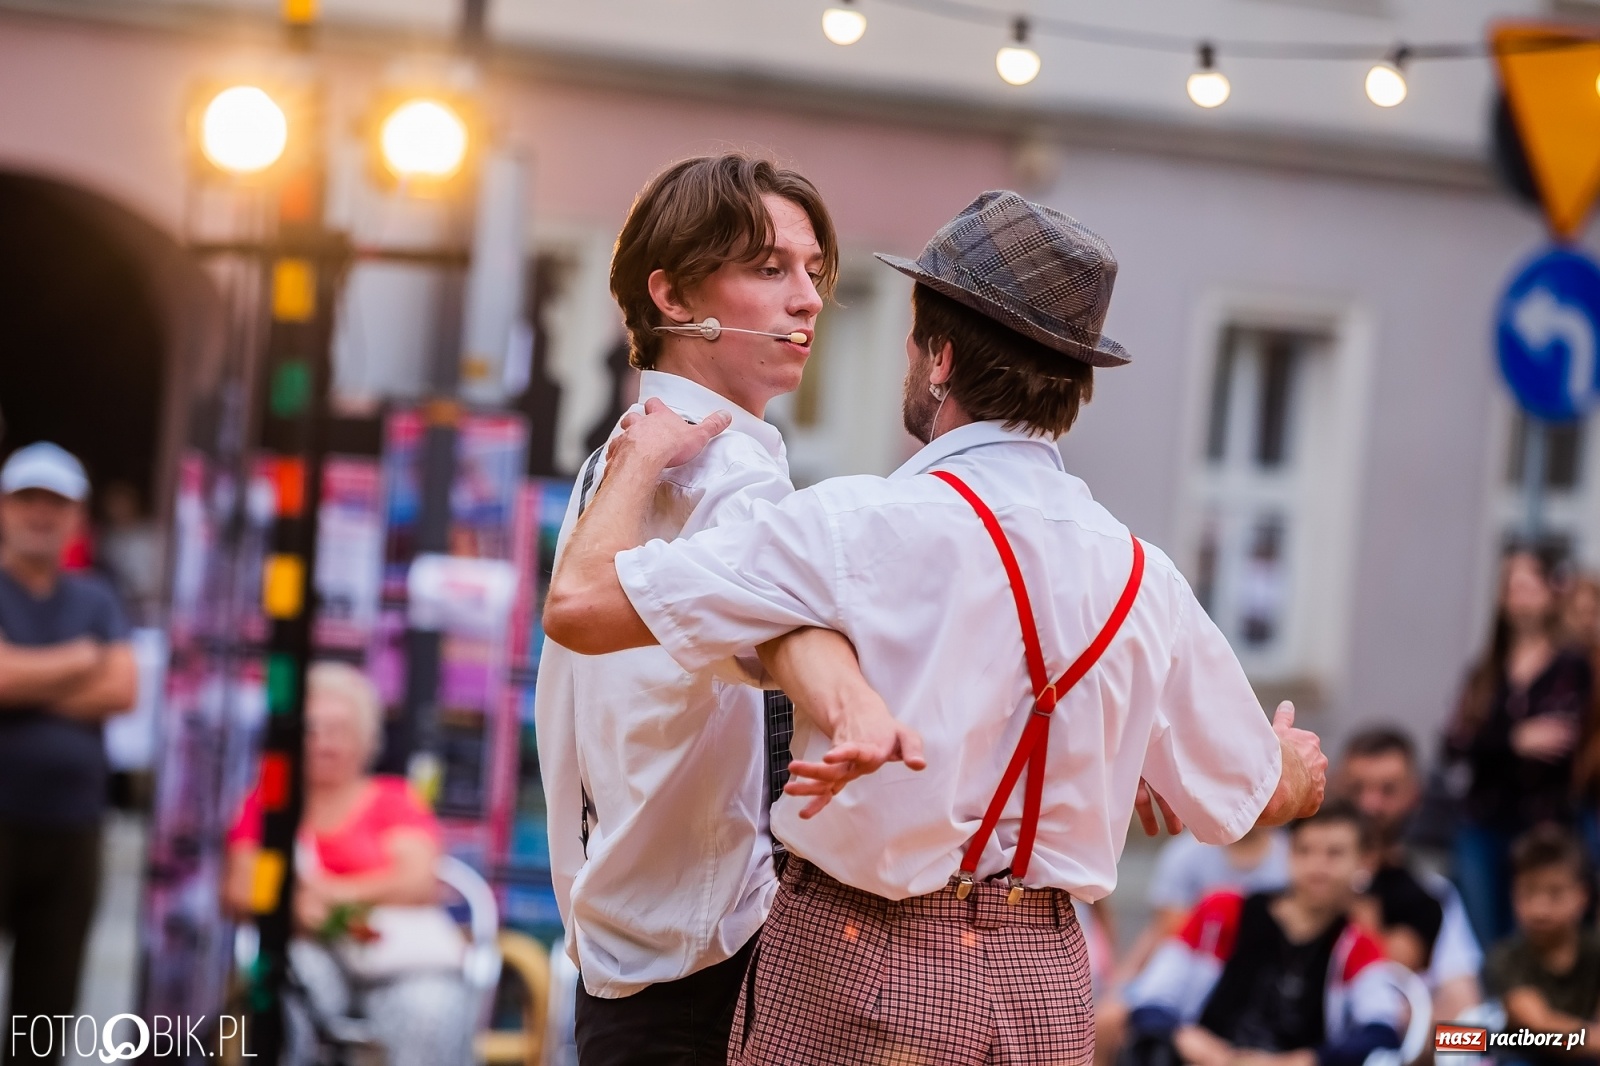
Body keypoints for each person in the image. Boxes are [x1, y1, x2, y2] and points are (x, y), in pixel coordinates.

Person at [542, 190, 1327, 1063]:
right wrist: (1291, 766)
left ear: (941, 359)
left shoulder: (854, 526)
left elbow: (585, 609)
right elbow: (1248, 802)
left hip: (855, 959)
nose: (809, 300)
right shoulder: (1147, 578)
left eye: (914, 342)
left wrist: (637, 457)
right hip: (1049, 983)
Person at [532, 153, 911, 1066]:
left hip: (640, 947)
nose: (809, 299)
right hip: (696, 962)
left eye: (814, 273)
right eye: (769, 268)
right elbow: (774, 636)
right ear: (670, 296)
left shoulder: (637, 452)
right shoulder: (726, 474)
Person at [223, 662, 474, 1066]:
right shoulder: (266, 804)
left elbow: (417, 881)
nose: (326, 743)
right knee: (285, 993)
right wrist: (297, 911)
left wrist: (330, 895)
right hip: (304, 945)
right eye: (313, 730)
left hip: (395, 955)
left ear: (366, 738)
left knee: (430, 1008)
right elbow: (239, 888)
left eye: (340, 730)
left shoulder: (394, 799)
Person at [0, 442, 138, 1065]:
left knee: (47, 1009)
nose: (40, 515)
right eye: (28, 500)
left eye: (55, 504)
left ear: (77, 518)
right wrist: (82, 661)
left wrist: (25, 683)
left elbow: (123, 689)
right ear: (4, 508)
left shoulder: (99, 597)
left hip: (74, 826)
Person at [1120, 801, 1403, 1066]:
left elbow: (1381, 1028)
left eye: (1334, 854)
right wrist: (1184, 1037)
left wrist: (1299, 1061)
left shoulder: (1358, 945)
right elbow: (1150, 997)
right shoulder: (1222, 911)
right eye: (1304, 850)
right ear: (1288, 853)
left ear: (1364, 862)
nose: (1318, 867)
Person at [1445, 550, 1591, 947]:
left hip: (1545, 823)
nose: (1518, 596)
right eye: (1510, 586)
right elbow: (1455, 743)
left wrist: (1493, 739)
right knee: (1482, 935)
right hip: (1484, 819)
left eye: (1528, 586)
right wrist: (1513, 740)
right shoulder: (1486, 670)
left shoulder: (1572, 667)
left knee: (1532, 935)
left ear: (1550, 592)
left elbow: (1564, 738)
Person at [1335, 726, 1484, 1023]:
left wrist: (1419, 1045)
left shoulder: (1434, 895)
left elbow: (1468, 1018)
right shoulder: (1285, 873)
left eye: (1387, 790)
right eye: (1357, 789)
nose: (1370, 805)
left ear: (1414, 795)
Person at [1483, 825, 1600, 1063]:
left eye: (1555, 893)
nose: (1539, 909)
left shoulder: (1595, 951)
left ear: (1582, 896)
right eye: (1528, 892)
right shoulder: (1506, 957)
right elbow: (1538, 1027)